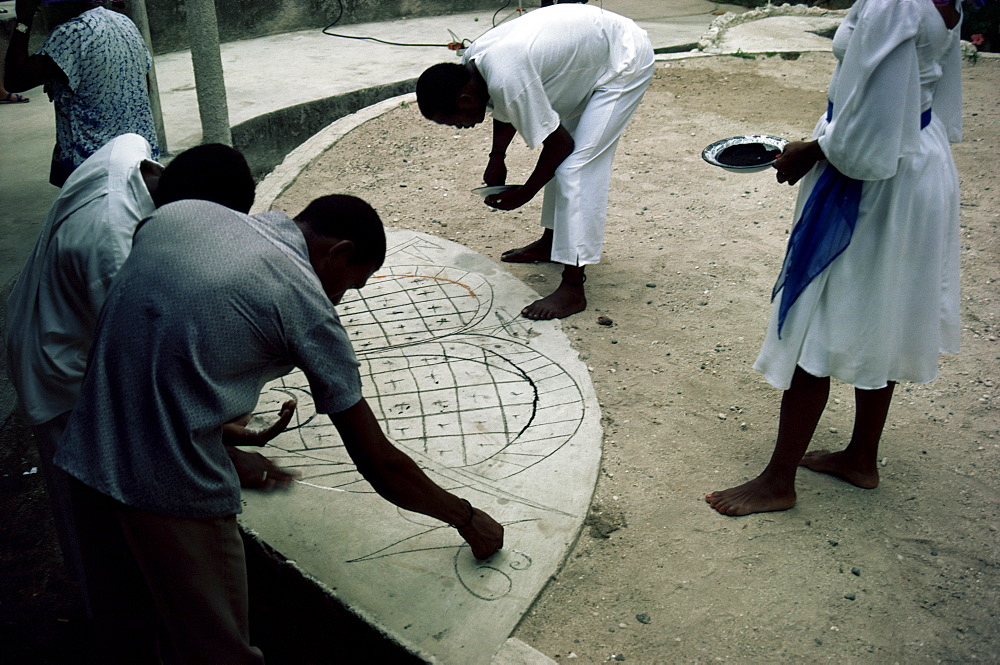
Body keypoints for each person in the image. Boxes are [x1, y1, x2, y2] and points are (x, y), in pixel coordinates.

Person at [50, 194, 505, 663]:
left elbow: (158, 337)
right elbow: (380, 463)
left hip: (85, 455)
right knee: (217, 651)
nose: (339, 300)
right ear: (340, 251)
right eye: (350, 286)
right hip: (170, 491)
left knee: (137, 624)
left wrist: (218, 437)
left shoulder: (184, 214)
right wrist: (467, 519)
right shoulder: (304, 303)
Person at [2, 132, 298, 624]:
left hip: (57, 319)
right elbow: (141, 377)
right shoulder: (114, 252)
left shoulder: (129, 149)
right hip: (64, 376)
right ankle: (115, 634)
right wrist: (226, 453)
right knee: (98, 524)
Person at [706, 0, 963, 516]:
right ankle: (860, 457)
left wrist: (814, 150)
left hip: (876, 176)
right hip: (919, 159)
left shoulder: (893, 3)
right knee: (884, 304)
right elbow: (925, 82)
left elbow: (872, 118)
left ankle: (778, 480)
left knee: (816, 310)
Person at [416, 3, 654, 320]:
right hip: (591, 53)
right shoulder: (472, 65)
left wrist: (524, 192)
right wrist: (497, 156)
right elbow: (503, 102)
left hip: (624, 59)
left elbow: (558, 143)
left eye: (452, 121)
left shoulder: (504, 74)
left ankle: (573, 287)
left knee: (576, 167)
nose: (458, 127)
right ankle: (552, 241)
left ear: (465, 99)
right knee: (565, 160)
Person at [4, 0, 158, 185]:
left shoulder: (71, 33)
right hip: (140, 159)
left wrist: (24, 21)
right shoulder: (124, 22)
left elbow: (14, 80)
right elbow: (144, 86)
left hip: (98, 171)